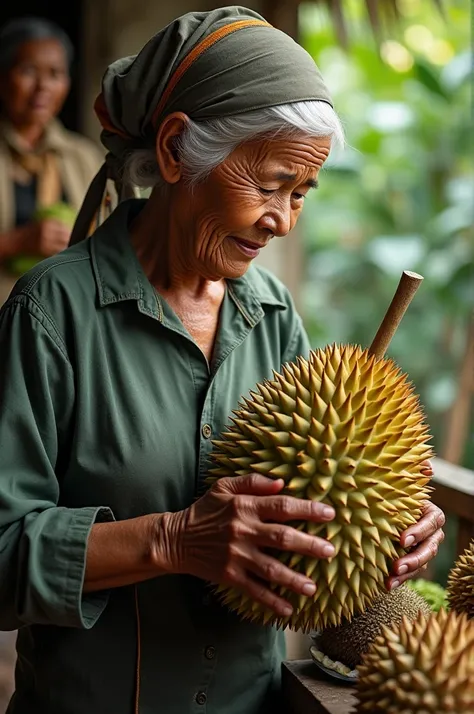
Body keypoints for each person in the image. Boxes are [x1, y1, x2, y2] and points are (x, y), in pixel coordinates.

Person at [0, 7, 445, 714]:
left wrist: (390, 526)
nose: (284, 220)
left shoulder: (271, 313)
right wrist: (174, 539)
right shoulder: (51, 314)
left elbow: (312, 503)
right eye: (268, 185)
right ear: (176, 150)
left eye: (301, 194)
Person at [0, 17, 103, 304]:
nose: (42, 86)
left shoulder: (85, 157)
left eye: (55, 73)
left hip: (66, 314)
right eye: (28, 71)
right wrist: (15, 243)